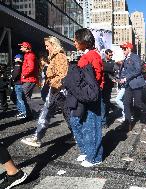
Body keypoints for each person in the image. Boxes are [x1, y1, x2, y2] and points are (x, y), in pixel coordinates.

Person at [21, 36, 70, 147]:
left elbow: (63, 74)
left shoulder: (59, 56)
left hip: (57, 89)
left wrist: (53, 83)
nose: (47, 48)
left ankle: (37, 138)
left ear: (54, 45)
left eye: (48, 46)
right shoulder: (54, 56)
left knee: (50, 112)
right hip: (56, 89)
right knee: (62, 112)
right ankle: (76, 135)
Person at [67, 28, 103, 167]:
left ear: (83, 41)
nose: (74, 42)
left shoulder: (92, 55)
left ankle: (95, 158)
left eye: (76, 39)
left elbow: (97, 77)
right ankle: (88, 152)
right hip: (85, 94)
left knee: (91, 125)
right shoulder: (88, 55)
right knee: (82, 123)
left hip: (90, 95)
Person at [119, 42, 146, 130]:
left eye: (124, 49)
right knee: (126, 103)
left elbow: (138, 70)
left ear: (129, 49)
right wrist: (121, 78)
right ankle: (127, 123)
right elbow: (125, 71)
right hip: (129, 84)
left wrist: (126, 78)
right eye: (122, 49)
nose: (123, 50)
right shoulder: (125, 59)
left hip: (136, 84)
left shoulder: (135, 57)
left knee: (138, 103)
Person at [18, 41, 40, 116]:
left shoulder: (30, 55)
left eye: (22, 47)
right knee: (26, 97)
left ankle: (38, 110)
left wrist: (24, 74)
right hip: (28, 79)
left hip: (29, 79)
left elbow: (31, 67)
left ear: (26, 47)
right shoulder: (27, 55)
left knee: (25, 96)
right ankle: (30, 114)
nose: (20, 48)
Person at [101, 49, 116, 127]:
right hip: (102, 85)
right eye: (109, 55)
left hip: (109, 85)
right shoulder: (101, 61)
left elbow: (113, 70)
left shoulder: (112, 62)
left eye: (111, 55)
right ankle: (103, 121)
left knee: (106, 102)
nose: (111, 56)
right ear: (106, 54)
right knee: (103, 103)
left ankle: (105, 119)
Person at [11, 54, 27, 119]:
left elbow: (16, 73)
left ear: (18, 58)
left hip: (18, 83)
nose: (14, 59)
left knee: (20, 99)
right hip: (19, 83)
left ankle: (23, 112)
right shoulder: (21, 64)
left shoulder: (18, 64)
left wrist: (12, 77)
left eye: (15, 58)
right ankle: (21, 111)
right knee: (16, 97)